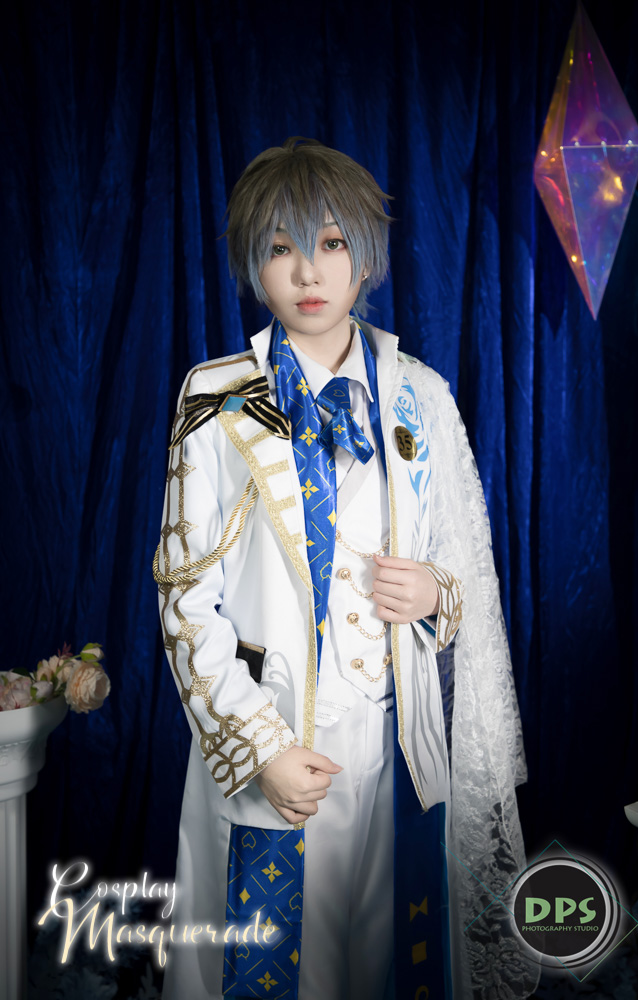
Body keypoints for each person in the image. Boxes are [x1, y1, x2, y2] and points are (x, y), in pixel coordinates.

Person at [155, 137, 535, 1000]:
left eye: (329, 242)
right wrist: (258, 748)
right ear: (252, 264)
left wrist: (434, 592)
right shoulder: (214, 398)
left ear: (366, 256)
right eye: (280, 247)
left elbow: (464, 575)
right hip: (275, 734)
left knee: (386, 956)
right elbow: (184, 598)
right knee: (267, 962)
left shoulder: (420, 395)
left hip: (396, 745)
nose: (307, 272)